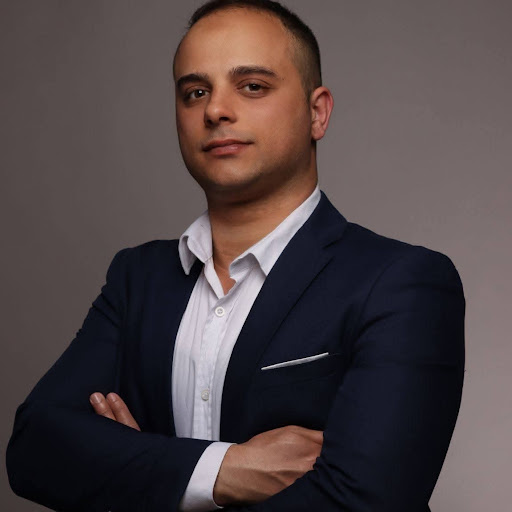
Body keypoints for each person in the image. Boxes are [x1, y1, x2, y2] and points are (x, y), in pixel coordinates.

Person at [6, 1, 465, 511]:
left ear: (317, 112)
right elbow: (33, 450)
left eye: (252, 86)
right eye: (195, 92)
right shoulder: (137, 279)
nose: (215, 111)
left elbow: (366, 501)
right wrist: (227, 469)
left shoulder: (402, 283)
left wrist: (135, 472)